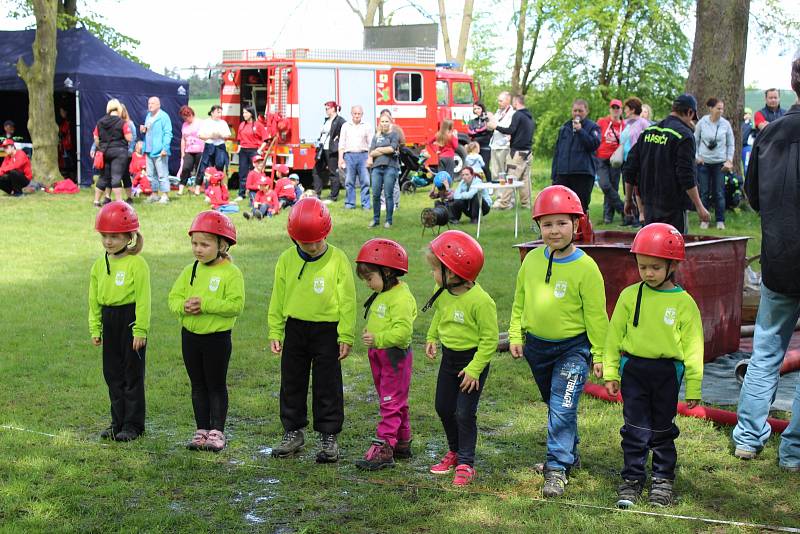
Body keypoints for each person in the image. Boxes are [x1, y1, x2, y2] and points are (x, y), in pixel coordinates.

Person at [508, 185, 608, 498]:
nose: (555, 231)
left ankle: (556, 468)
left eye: (562, 223)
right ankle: (570, 455)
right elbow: (519, 300)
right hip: (537, 349)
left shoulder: (586, 268)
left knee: (563, 407)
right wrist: (515, 333)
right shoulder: (531, 261)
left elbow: (597, 317)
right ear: (538, 226)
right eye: (547, 224)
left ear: (576, 225)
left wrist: (602, 355)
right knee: (555, 405)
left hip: (573, 350)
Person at [603, 223, 703, 508]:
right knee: (634, 428)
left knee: (662, 430)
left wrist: (693, 385)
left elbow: (695, 348)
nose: (647, 273)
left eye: (655, 267)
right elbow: (614, 337)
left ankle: (662, 480)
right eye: (642, 266)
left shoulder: (684, 304)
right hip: (634, 371)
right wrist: (611, 372)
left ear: (672, 264)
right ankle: (633, 479)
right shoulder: (629, 296)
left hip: (666, 374)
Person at [732, 57, 800, 472]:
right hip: (781, 255)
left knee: (765, 350)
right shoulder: (769, 131)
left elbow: (752, 195)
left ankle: (748, 439)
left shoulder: (769, 133)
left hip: (778, 256)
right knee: (766, 348)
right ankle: (792, 451)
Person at [268, 197, 356, 463]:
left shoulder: (338, 259)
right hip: (295, 329)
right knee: (292, 382)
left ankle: (329, 436)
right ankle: (292, 431)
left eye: (318, 240)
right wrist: (275, 330)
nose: (313, 246)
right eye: (306, 242)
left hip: (327, 331)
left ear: (327, 232)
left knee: (327, 384)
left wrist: (346, 334)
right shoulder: (285, 260)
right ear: (294, 238)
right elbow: (278, 297)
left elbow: (348, 300)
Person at [424, 230, 497, 487]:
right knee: (443, 407)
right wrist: (432, 337)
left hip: (473, 361)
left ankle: (466, 462)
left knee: (464, 412)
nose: (432, 274)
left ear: (452, 273)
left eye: (436, 269)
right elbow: (439, 314)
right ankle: (454, 451)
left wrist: (475, 369)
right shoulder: (442, 290)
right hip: (449, 358)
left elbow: (489, 340)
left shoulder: (482, 302)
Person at [168, 211, 244, 452]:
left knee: (215, 384)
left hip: (217, 340)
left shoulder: (231, 273)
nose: (198, 249)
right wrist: (183, 306)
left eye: (204, 244)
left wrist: (206, 304)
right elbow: (173, 297)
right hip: (190, 337)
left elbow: (235, 306)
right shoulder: (191, 269)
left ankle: (217, 432)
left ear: (222, 245)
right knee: (197, 384)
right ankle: (201, 430)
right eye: (194, 243)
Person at [88, 201, 151, 442]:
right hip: (109, 320)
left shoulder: (137, 264)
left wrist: (140, 329)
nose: (108, 241)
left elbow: (144, 300)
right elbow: (94, 299)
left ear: (129, 236)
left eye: (114, 236)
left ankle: (133, 424)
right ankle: (117, 422)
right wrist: (95, 327)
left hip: (130, 320)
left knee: (131, 374)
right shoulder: (98, 265)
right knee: (112, 374)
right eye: (104, 236)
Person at [354, 239, 417, 470]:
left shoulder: (400, 297)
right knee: (393, 399)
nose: (368, 284)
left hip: (393, 357)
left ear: (387, 271)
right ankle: (402, 441)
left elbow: (402, 332)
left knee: (390, 402)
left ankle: (385, 446)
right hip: (380, 356)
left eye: (370, 278)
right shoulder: (385, 292)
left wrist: (378, 339)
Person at [623, 94, 710, 234]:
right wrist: (700, 206)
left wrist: (628, 200)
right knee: (673, 250)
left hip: (649, 206)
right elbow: (686, 175)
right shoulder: (684, 136)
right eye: (692, 118)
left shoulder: (648, 131)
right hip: (673, 207)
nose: (691, 123)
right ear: (690, 112)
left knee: (652, 250)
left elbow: (630, 169)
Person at [551, 99, 601, 212]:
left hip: (582, 174)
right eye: (575, 110)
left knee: (581, 207)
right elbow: (558, 152)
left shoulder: (593, 127)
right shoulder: (565, 127)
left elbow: (593, 145)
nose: (577, 113)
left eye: (580, 111)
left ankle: (583, 229)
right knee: (562, 206)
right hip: (563, 174)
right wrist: (554, 174)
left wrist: (580, 131)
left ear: (586, 111)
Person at [694, 98, 734, 230]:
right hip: (704, 163)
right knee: (704, 192)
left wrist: (729, 160)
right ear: (710, 108)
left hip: (720, 164)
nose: (721, 111)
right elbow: (695, 140)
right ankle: (704, 220)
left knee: (719, 193)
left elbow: (730, 143)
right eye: (718, 108)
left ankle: (720, 220)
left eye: (722, 108)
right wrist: (696, 157)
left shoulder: (725, 124)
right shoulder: (702, 122)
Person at [489, 94, 534, 209]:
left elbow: (511, 130)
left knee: (510, 178)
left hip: (517, 153)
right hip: (528, 152)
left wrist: (496, 127)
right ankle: (526, 204)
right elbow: (521, 132)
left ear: (516, 102)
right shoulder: (529, 116)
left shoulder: (517, 114)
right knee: (525, 179)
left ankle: (504, 203)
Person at [93, 99, 133, 206]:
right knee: (116, 177)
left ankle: (96, 201)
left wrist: (101, 146)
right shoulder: (122, 122)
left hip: (105, 152)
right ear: (119, 108)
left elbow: (96, 138)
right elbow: (129, 138)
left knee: (103, 178)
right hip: (119, 153)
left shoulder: (100, 122)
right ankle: (119, 202)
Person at [618, 97, 651, 227]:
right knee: (628, 190)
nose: (624, 111)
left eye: (626, 108)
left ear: (632, 109)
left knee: (637, 188)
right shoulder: (626, 123)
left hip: (639, 161)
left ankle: (640, 216)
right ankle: (633, 215)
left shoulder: (643, 123)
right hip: (627, 161)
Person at [595, 99, 626, 224]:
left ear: (621, 110)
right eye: (613, 108)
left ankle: (608, 217)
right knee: (605, 185)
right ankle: (623, 209)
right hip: (601, 158)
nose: (615, 110)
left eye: (617, 108)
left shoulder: (625, 125)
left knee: (613, 186)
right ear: (610, 109)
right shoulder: (602, 122)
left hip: (616, 160)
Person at [367, 114, 401, 229]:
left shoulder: (394, 134)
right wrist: (382, 150)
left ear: (390, 122)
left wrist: (379, 149)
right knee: (375, 194)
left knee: (388, 195)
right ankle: (376, 219)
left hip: (390, 167)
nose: (384, 123)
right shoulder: (376, 136)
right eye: (382, 121)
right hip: (376, 168)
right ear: (379, 123)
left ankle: (388, 220)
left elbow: (392, 148)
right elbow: (371, 152)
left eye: (387, 121)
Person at [338, 105, 373, 210]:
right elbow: (341, 143)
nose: (357, 116)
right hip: (349, 156)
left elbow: (371, 144)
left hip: (363, 155)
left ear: (362, 114)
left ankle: (366, 205)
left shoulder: (367, 126)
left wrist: (370, 158)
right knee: (349, 181)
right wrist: (340, 158)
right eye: (355, 113)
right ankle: (349, 204)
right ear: (351, 114)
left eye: (359, 114)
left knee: (365, 181)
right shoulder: (345, 126)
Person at [141, 96, 173, 204]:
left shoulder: (164, 116)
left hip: (160, 151)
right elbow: (148, 131)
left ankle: (165, 195)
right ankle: (154, 194)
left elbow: (168, 133)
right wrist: (143, 130)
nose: (150, 105)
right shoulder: (148, 116)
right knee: (151, 175)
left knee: (162, 174)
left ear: (159, 105)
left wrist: (165, 148)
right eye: (149, 103)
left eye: (153, 103)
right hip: (149, 150)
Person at [312, 101, 346, 201]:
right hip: (323, 149)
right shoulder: (326, 120)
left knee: (333, 172)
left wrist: (338, 139)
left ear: (333, 109)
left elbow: (345, 132)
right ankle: (317, 194)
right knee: (316, 171)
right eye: (325, 109)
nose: (326, 110)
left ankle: (333, 196)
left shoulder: (340, 120)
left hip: (332, 150)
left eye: (327, 108)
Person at [236, 105, 267, 201]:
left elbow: (265, 140)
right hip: (243, 151)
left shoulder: (258, 125)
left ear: (251, 113)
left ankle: (259, 192)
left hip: (254, 150)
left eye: (246, 112)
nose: (244, 114)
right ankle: (241, 194)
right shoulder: (242, 125)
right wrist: (239, 148)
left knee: (256, 172)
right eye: (243, 112)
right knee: (243, 172)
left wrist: (259, 150)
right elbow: (239, 139)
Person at [197, 105, 231, 185]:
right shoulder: (206, 122)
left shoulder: (223, 123)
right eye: (217, 112)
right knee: (208, 166)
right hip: (209, 145)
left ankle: (219, 184)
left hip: (220, 145)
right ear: (212, 113)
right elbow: (200, 135)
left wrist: (220, 136)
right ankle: (207, 186)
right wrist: (210, 136)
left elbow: (228, 135)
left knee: (220, 164)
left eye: (220, 113)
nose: (219, 114)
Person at [488, 92, 514, 190]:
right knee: (495, 172)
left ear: (508, 101)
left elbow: (508, 129)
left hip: (504, 146)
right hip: (494, 145)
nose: (499, 103)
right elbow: (492, 127)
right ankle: (498, 196)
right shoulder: (498, 111)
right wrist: (489, 121)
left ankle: (506, 197)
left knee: (504, 172)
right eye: (498, 100)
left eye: (501, 101)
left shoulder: (512, 113)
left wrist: (495, 124)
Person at [178, 105, 204, 196]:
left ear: (191, 114)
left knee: (199, 170)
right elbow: (183, 139)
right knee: (185, 168)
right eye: (184, 118)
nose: (186, 119)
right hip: (188, 150)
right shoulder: (184, 125)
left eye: (187, 117)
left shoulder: (200, 122)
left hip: (200, 150)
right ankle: (180, 189)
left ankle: (197, 189)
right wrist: (182, 153)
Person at [467, 101, 492, 180]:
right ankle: (476, 183)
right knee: (474, 168)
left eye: (478, 108)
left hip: (485, 147)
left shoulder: (487, 119)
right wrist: (478, 131)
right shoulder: (472, 121)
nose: (477, 110)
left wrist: (477, 131)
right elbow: (470, 131)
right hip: (475, 147)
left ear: (482, 109)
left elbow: (488, 129)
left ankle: (489, 183)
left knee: (485, 167)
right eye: (475, 109)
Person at [119, 104, 137, 203]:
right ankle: (117, 198)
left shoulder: (129, 124)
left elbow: (133, 137)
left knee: (125, 175)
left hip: (126, 153)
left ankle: (129, 198)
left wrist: (130, 151)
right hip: (117, 152)